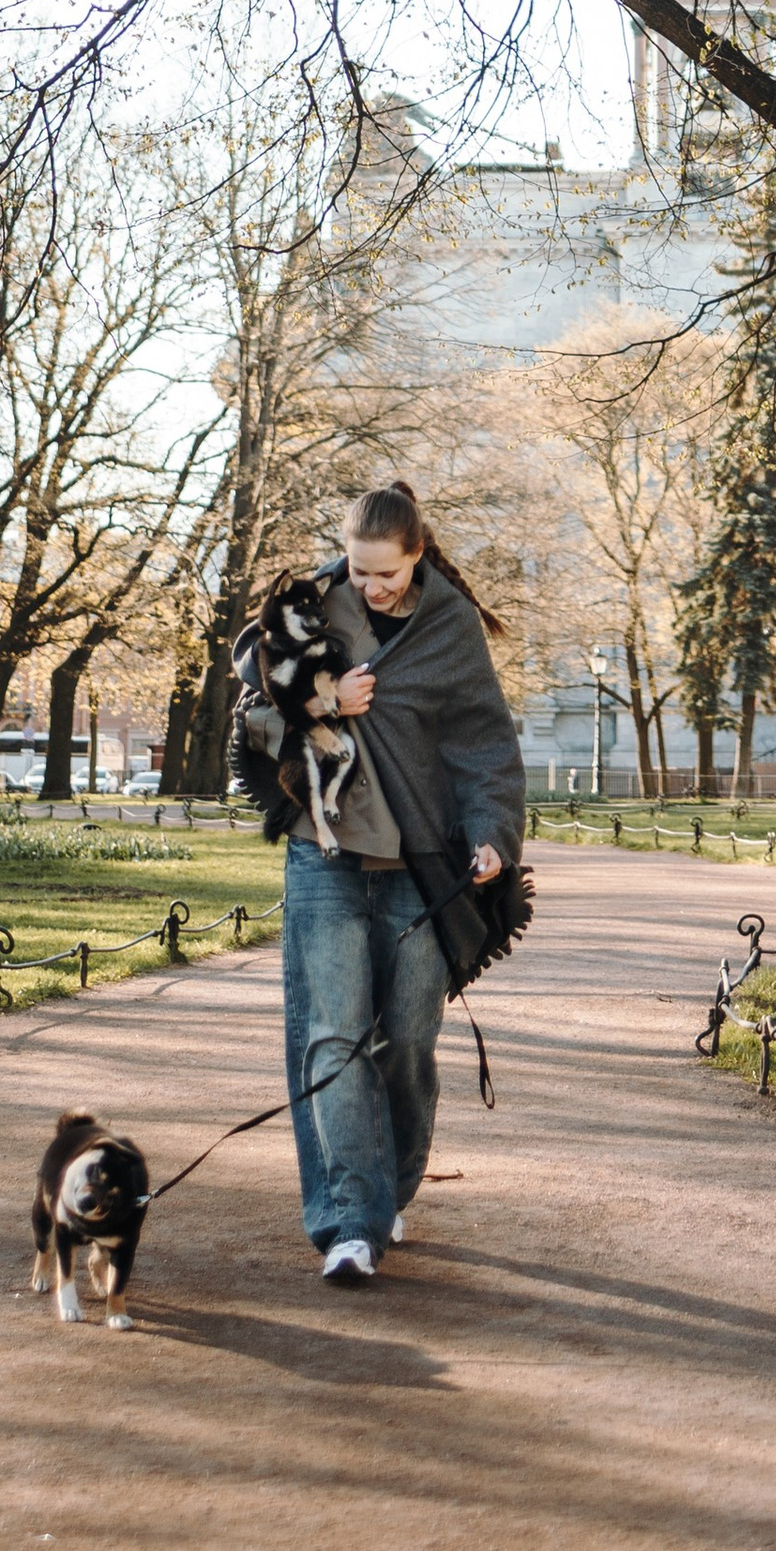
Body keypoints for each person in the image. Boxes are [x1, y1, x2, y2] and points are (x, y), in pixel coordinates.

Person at [232, 480, 527, 1287]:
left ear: (418, 553)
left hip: (420, 869)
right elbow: (251, 709)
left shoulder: (450, 626)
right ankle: (348, 1222)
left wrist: (494, 836)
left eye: (386, 574)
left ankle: (390, 1185)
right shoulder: (312, 610)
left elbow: (485, 744)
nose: (370, 588)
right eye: (358, 572)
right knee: (333, 1037)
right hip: (323, 859)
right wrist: (323, 698)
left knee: (409, 1041)